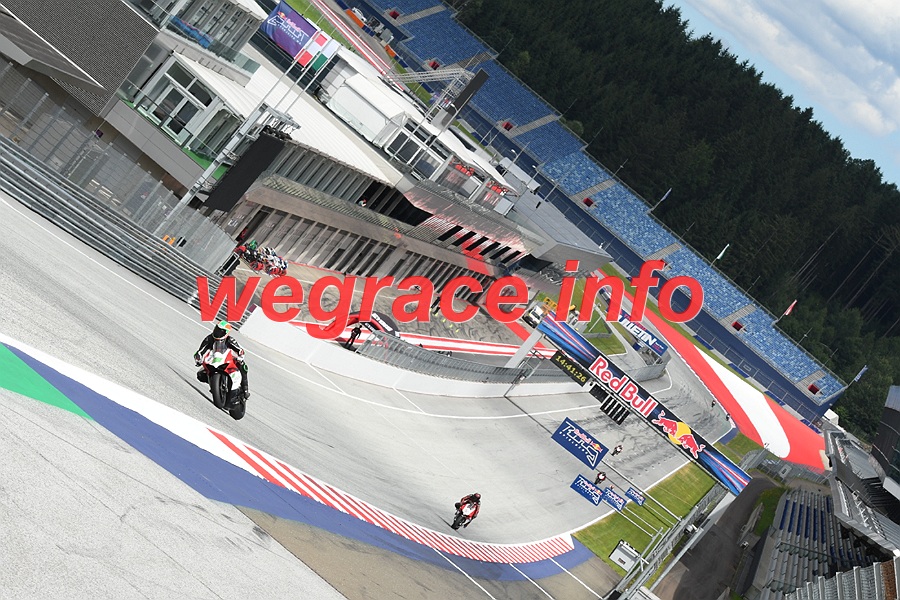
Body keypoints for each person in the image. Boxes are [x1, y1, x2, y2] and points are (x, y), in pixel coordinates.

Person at [194, 320, 250, 400]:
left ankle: (245, 389)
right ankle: (214, 385)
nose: (218, 332)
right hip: (213, 359)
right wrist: (198, 358)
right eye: (217, 329)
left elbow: (239, 350)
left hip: (228, 357)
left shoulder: (230, 340)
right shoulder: (209, 338)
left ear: (226, 333)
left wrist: (240, 356)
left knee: (243, 366)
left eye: (221, 331)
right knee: (200, 375)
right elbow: (201, 350)